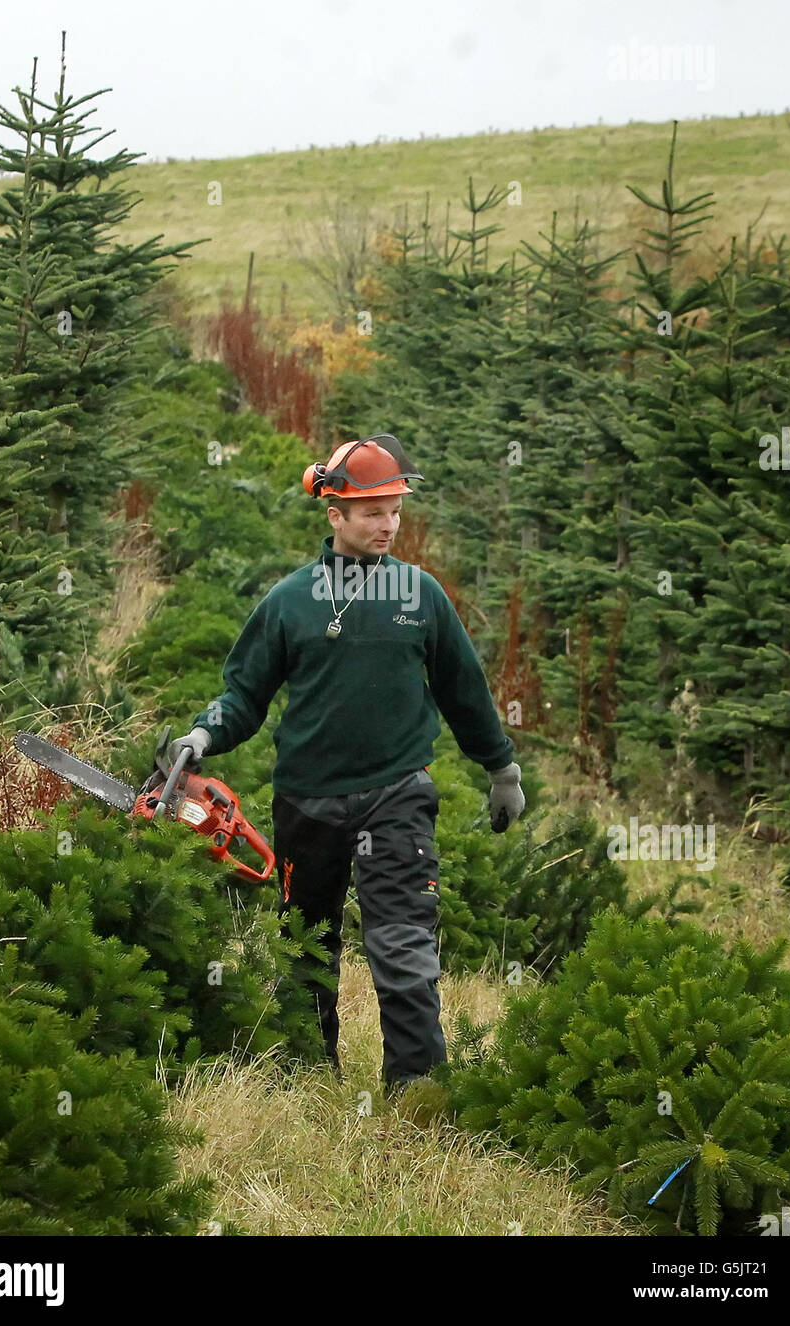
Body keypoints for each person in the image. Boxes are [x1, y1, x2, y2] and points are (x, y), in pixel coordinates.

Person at [167, 433, 525, 1094]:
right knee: (305, 945)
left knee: (402, 945)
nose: (388, 523)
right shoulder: (288, 602)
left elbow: (463, 690)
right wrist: (200, 737)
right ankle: (305, 1076)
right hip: (305, 799)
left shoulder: (420, 595)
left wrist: (500, 769)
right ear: (334, 514)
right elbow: (243, 695)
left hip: (398, 793)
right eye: (371, 512)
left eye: (394, 510)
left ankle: (417, 1090)